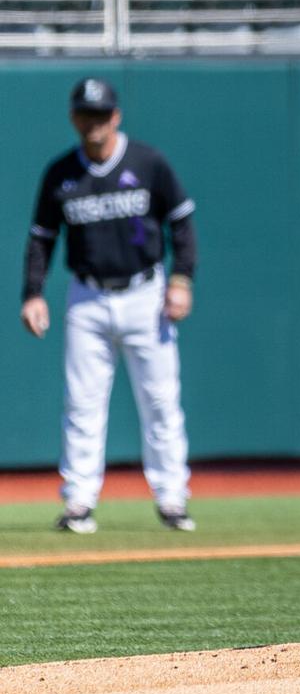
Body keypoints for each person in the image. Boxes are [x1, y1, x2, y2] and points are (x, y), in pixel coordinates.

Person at [19, 78, 199, 535]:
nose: (93, 124)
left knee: (160, 400)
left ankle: (172, 498)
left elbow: (182, 224)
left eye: (101, 115)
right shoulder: (61, 172)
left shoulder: (147, 162)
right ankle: (78, 501)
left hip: (145, 293)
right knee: (82, 402)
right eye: (86, 115)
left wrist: (181, 280)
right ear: (74, 118)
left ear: (115, 116)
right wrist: (33, 293)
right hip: (88, 296)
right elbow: (41, 239)